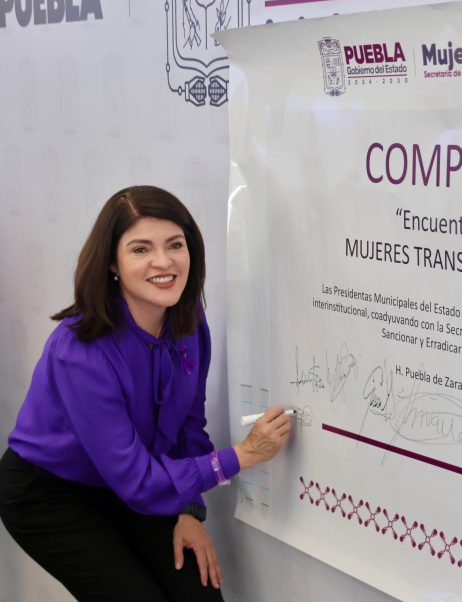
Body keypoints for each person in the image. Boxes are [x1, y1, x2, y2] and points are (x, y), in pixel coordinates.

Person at [0, 186, 291, 601]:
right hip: (50, 493)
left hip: (136, 479)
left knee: (200, 596)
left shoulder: (189, 322)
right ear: (112, 263)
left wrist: (189, 510)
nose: (163, 261)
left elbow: (188, 427)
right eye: (140, 249)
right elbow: (137, 482)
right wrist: (243, 455)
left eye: (175, 244)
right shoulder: (79, 350)